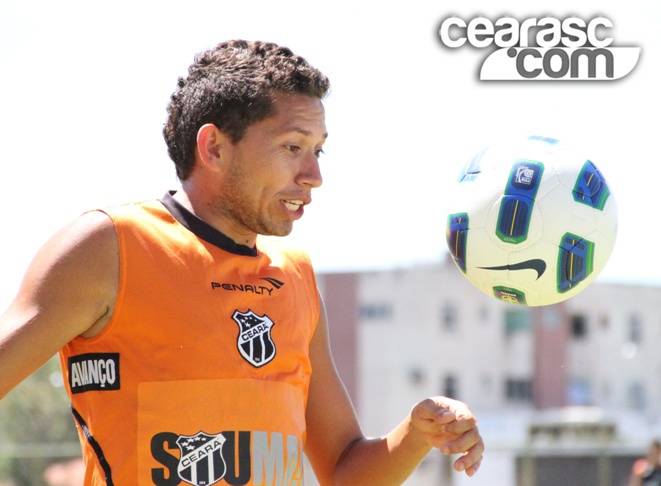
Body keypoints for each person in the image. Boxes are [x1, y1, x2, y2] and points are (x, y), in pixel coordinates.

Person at [0, 40, 484, 485]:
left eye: (318, 150)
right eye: (293, 147)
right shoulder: (110, 246)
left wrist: (418, 432)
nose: (314, 174)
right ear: (213, 147)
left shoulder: (295, 274)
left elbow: (342, 471)